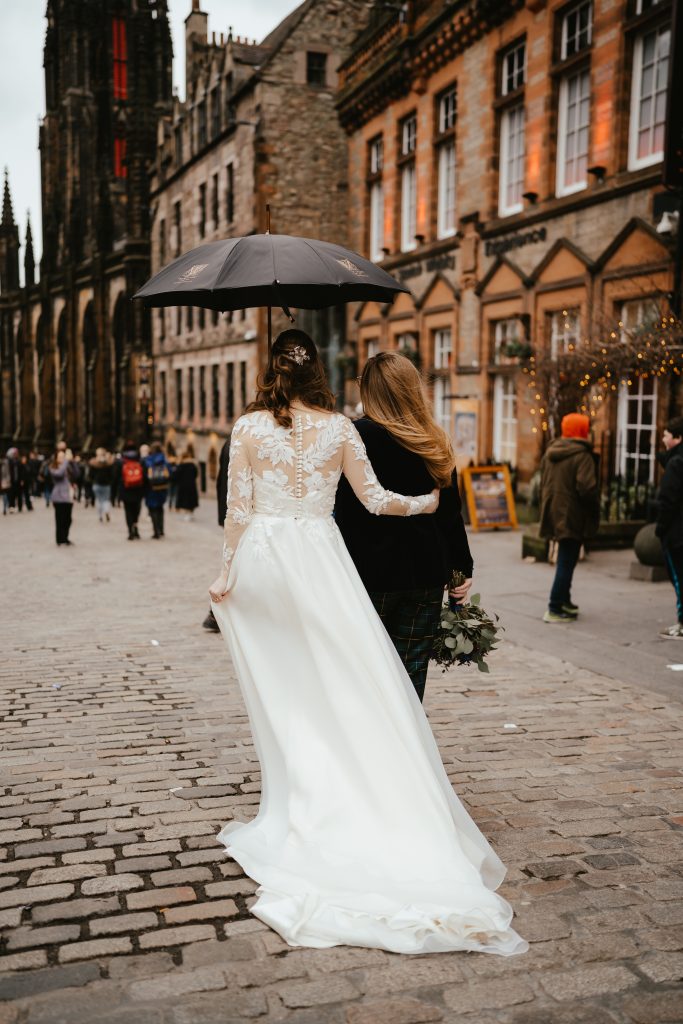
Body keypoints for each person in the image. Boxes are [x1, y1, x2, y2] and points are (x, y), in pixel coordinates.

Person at [208, 329, 527, 958]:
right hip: (324, 563)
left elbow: (236, 511)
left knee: (293, 689)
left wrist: (225, 573)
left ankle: (310, 786)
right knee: (362, 679)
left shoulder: (245, 430)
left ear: (270, 371)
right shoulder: (341, 430)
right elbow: (375, 501)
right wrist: (425, 503)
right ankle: (378, 777)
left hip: (270, 563)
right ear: (319, 372)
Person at [335, 351, 473, 703]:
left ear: (367, 390)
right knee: (411, 675)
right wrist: (461, 570)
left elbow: (337, 509)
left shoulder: (354, 437)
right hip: (424, 575)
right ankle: (409, 751)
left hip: (368, 574)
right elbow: (450, 514)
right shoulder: (432, 439)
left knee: (364, 673)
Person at [539, 412, 600, 623]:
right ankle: (555, 607)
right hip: (572, 513)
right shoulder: (582, 455)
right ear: (582, 430)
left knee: (568, 558)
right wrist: (593, 509)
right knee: (566, 560)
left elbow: (543, 482)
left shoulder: (551, 452)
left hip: (554, 510)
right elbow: (587, 488)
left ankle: (564, 600)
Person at [655, 416, 683, 639]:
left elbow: (668, 501)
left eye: (666, 435)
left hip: (676, 532)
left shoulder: (676, 464)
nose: (663, 438)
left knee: (679, 578)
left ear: (678, 438)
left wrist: (660, 529)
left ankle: (682, 623)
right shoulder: (675, 460)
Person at [203, 437, 231, 633]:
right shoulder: (244, 438)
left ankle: (216, 613)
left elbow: (222, 481)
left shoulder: (231, 440)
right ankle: (218, 612)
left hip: (231, 513)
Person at [115, 442, 145, 540]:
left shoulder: (120, 461)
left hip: (125, 489)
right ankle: (135, 527)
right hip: (138, 489)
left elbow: (116, 477)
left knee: (128, 511)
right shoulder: (140, 460)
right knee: (136, 509)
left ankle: (130, 531)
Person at [143, 442, 171, 539]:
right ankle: (161, 529)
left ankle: (156, 531)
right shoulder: (164, 460)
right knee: (160, 508)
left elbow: (145, 475)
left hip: (151, 489)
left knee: (153, 509)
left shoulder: (148, 460)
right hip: (162, 488)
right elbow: (169, 472)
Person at [49, 449, 75, 545]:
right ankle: (60, 539)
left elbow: (77, 474)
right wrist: (66, 462)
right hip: (59, 497)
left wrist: (72, 462)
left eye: (63, 457)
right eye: (60, 457)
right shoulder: (53, 467)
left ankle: (65, 537)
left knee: (68, 519)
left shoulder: (67, 466)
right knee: (60, 519)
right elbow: (59, 474)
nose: (63, 459)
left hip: (68, 496)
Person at [89, 448, 114, 523]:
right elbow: (112, 474)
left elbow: (90, 475)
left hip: (97, 484)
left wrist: (93, 480)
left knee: (99, 500)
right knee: (106, 500)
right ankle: (106, 510)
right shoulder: (108, 463)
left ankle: (100, 516)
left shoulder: (94, 463)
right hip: (106, 485)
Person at [174, 450, 199, 520]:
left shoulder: (181, 465)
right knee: (191, 500)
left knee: (186, 500)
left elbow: (176, 475)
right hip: (192, 485)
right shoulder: (193, 465)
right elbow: (196, 474)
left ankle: (188, 514)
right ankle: (191, 513)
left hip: (183, 485)